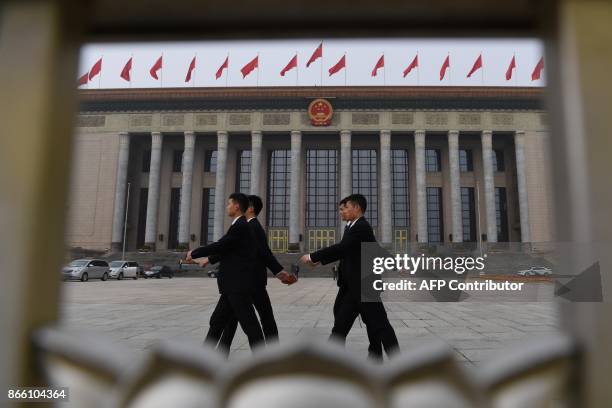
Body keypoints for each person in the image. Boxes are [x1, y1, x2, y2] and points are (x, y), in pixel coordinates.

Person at [300, 193, 399, 361]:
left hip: (364, 287)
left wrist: (314, 257)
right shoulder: (351, 227)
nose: (341, 212)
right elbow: (369, 250)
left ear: (357, 208)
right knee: (341, 325)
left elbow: (343, 247)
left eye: (344, 208)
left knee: (380, 326)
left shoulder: (361, 227)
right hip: (351, 287)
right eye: (340, 209)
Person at [200, 195, 297, 356]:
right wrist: (210, 259)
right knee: (230, 319)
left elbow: (264, 253)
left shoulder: (251, 227)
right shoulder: (248, 226)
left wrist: (279, 273)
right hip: (246, 281)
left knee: (258, 319)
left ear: (250, 209)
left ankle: (269, 354)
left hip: (251, 281)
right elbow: (230, 247)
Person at [187, 193, 264, 352]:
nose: (227, 207)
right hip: (232, 287)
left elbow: (221, 245)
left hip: (237, 286)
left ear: (236, 206)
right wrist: (208, 260)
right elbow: (228, 249)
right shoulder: (239, 226)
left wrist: (195, 253)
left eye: (229, 204)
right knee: (217, 322)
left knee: (250, 326)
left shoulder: (241, 226)